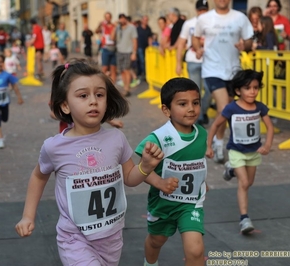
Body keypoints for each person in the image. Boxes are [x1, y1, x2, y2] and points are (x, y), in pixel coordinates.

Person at [15, 59, 177, 266]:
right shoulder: (54, 147)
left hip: (111, 237)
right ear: (65, 105)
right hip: (74, 238)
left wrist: (145, 167)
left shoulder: (116, 139)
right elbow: (39, 176)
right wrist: (28, 216)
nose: (93, 101)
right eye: (83, 96)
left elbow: (129, 178)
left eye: (99, 95)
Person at [137, 77, 207, 266]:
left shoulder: (202, 134)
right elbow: (140, 169)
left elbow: (196, 163)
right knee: (156, 240)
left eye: (195, 103)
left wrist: (201, 180)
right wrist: (159, 182)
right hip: (163, 204)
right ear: (166, 110)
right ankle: (150, 263)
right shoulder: (158, 138)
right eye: (183, 104)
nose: (191, 108)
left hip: (191, 203)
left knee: (195, 249)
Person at [206, 69, 274, 234]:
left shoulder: (259, 107)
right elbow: (215, 125)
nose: (252, 91)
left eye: (255, 88)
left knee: (249, 183)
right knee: (243, 183)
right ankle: (244, 219)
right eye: (248, 88)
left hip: (253, 152)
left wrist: (267, 145)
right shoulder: (231, 108)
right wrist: (209, 146)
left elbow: (270, 127)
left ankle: (231, 170)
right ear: (238, 91)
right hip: (236, 151)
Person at [193, 0, 254, 164]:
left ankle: (217, 139)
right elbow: (195, 37)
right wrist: (198, 48)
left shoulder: (240, 17)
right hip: (212, 69)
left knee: (226, 111)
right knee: (224, 108)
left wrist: (244, 45)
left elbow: (249, 40)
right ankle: (219, 145)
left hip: (233, 71)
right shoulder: (204, 18)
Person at [176, 0, 210, 126]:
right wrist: (178, 62)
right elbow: (181, 43)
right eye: (200, 10)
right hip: (193, 60)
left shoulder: (212, 22)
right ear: (196, 10)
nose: (202, 12)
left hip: (209, 61)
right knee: (195, 91)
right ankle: (199, 117)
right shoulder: (189, 24)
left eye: (205, 10)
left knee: (210, 89)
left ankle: (203, 111)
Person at [0, 52, 24, 149]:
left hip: (4, 101)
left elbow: (15, 86)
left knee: (5, 119)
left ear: (3, 63)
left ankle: (1, 120)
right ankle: (0, 139)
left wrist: (19, 97)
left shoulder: (7, 75)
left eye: (0, 62)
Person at [111, 13, 138, 97]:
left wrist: (134, 53)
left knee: (127, 70)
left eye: (123, 18)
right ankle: (125, 87)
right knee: (121, 71)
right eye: (120, 19)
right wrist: (115, 27)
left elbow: (134, 41)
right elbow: (112, 38)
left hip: (128, 51)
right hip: (119, 51)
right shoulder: (118, 28)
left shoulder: (131, 28)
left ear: (126, 19)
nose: (122, 20)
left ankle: (127, 89)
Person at [96, 12, 117, 83]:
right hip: (105, 48)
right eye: (106, 17)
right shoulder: (103, 26)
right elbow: (96, 31)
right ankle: (103, 83)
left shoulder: (114, 26)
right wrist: (99, 25)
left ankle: (113, 86)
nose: (107, 18)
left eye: (109, 17)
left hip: (113, 48)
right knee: (104, 68)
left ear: (111, 17)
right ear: (105, 18)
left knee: (113, 68)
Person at [136, 15, 152, 80]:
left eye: (147, 20)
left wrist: (150, 46)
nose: (146, 21)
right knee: (142, 61)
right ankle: (143, 74)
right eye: (145, 20)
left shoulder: (148, 28)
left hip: (147, 48)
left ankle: (145, 73)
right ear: (142, 20)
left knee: (146, 61)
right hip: (140, 47)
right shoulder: (138, 29)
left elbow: (150, 38)